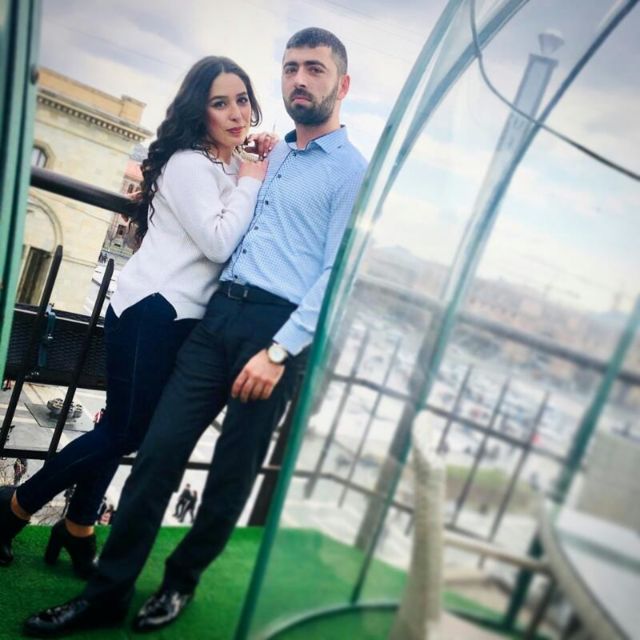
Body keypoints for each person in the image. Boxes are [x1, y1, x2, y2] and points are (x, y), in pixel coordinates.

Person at [24, 27, 366, 636]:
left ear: (342, 85)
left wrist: (280, 350)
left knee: (231, 474)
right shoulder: (270, 156)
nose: (299, 79)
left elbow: (339, 272)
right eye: (290, 67)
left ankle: (180, 582)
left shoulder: (351, 172)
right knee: (155, 455)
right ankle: (106, 594)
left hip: (275, 332)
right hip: (215, 318)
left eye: (314, 69)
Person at [0, 56, 274, 578]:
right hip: (152, 311)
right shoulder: (190, 164)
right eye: (220, 103)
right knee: (125, 433)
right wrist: (253, 179)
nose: (237, 113)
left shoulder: (228, 165)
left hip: (176, 317)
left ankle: (78, 524)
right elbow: (219, 243)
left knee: (123, 427)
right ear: (199, 111)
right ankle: (15, 507)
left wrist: (255, 165)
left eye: (242, 99)